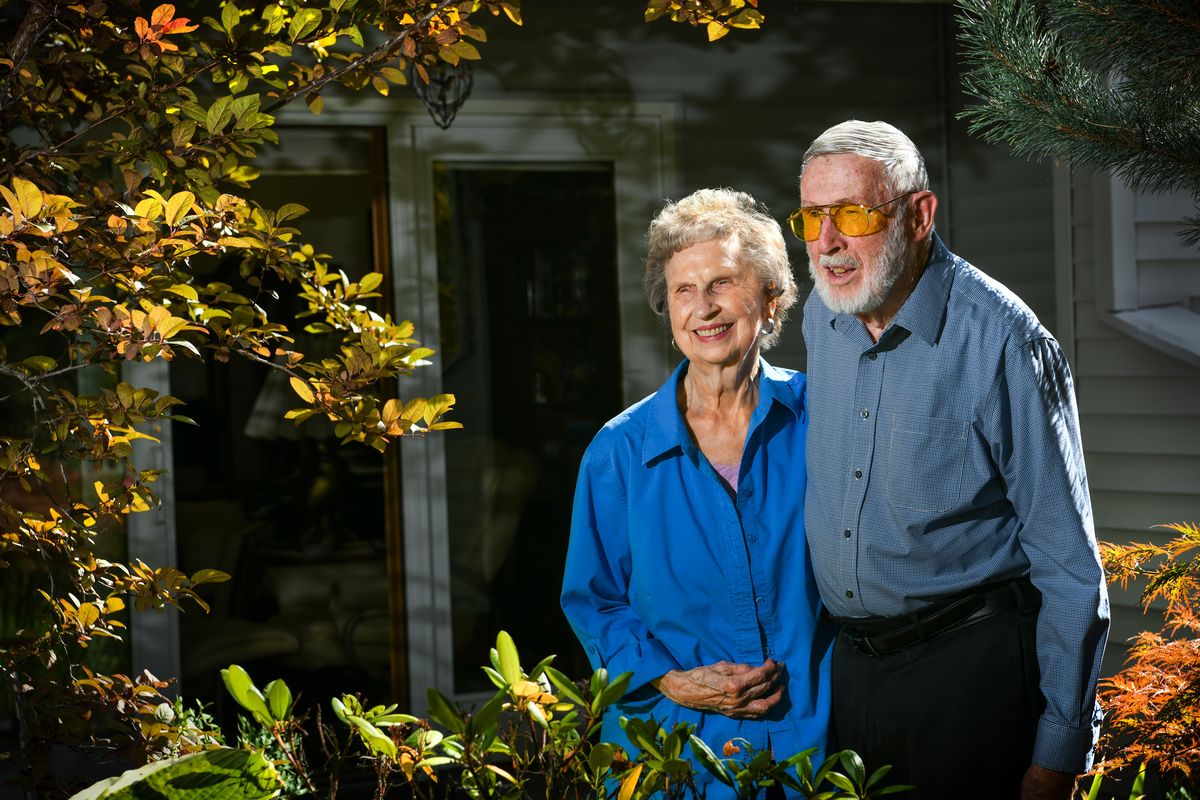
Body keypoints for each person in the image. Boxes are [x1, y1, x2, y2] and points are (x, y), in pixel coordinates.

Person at [794, 120, 1109, 800]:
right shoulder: (824, 318)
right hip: (854, 673)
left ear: (919, 213)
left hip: (970, 675)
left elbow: (1069, 563)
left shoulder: (1005, 341)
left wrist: (1060, 750)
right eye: (812, 217)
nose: (828, 243)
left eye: (851, 213)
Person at [561, 188, 833, 799]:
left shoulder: (828, 417)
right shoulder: (620, 451)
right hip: (671, 748)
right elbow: (594, 601)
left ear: (770, 298)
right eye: (684, 289)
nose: (703, 308)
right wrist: (670, 680)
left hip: (812, 741)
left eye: (723, 283)